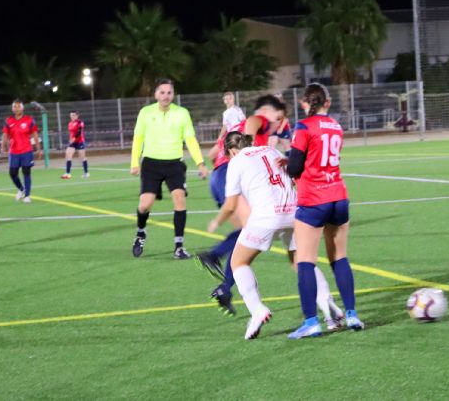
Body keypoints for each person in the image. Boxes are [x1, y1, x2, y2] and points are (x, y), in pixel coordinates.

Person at [208, 132, 342, 340]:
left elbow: (231, 203)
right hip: (295, 210)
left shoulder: (236, 161)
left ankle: (257, 311)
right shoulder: (271, 150)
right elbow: (293, 175)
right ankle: (329, 307)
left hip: (267, 215)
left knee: (238, 262)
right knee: (301, 262)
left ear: (231, 151)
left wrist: (217, 221)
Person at [286, 83, 364, 340]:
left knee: (304, 260)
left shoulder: (303, 126)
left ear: (304, 103)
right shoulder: (336, 126)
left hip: (313, 199)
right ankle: (351, 313)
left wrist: (288, 163)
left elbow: (296, 167)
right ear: (327, 103)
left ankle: (311, 322)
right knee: (339, 257)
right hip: (339, 196)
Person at [197, 94, 286, 315]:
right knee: (250, 232)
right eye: (280, 115)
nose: (280, 120)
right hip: (230, 173)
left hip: (219, 177)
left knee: (246, 234)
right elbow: (253, 125)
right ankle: (215, 258)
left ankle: (225, 287)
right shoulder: (259, 120)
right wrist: (247, 149)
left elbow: (212, 153)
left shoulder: (234, 130)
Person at [130, 78, 209, 260]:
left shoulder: (182, 113)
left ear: (173, 95)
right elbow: (138, 138)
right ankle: (141, 233)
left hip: (174, 164)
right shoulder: (145, 112)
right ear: (156, 94)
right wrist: (135, 161)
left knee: (179, 199)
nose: (166, 96)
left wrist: (200, 163)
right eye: (162, 92)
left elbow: (190, 139)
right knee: (145, 205)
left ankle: (179, 247)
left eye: (169, 92)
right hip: (151, 163)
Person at [1, 99, 42, 203]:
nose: (17, 108)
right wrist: (3, 147)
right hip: (14, 152)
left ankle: (27, 195)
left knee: (26, 173)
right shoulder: (8, 120)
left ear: (22, 108)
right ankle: (21, 189)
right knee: (12, 173)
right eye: (15, 106)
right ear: (12, 108)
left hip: (26, 151)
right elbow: (5, 135)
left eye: (19, 106)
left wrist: (38, 148)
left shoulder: (29, 120)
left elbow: (35, 135)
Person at [61, 110, 89, 179]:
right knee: (68, 154)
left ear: (77, 115)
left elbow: (79, 132)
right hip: (73, 142)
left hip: (80, 141)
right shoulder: (70, 123)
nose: (72, 117)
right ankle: (68, 173)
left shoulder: (80, 122)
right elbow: (71, 133)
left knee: (82, 157)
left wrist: (74, 138)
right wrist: (70, 139)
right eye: (71, 115)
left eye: (73, 115)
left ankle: (86, 173)